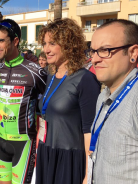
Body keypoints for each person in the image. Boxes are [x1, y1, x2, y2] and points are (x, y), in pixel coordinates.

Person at [87, 19, 138, 183]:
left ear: (133, 53)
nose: (95, 59)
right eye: (93, 51)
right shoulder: (103, 97)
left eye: (105, 50)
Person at [36, 18, 100, 184]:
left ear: (69, 44)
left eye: (52, 43)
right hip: (47, 152)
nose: (46, 49)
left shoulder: (85, 79)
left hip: (69, 160)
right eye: (45, 43)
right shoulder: (50, 76)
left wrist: (88, 175)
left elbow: (90, 132)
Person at [0, 19, 47, 184]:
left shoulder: (35, 71)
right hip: (1, 140)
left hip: (23, 142)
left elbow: (51, 100)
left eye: (1, 40)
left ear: (15, 41)